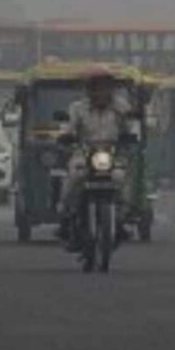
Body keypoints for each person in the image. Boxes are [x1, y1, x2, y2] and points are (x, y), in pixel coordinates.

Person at [57, 68, 132, 248]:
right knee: (73, 177)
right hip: (84, 154)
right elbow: (68, 128)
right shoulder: (77, 108)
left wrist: (131, 137)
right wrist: (66, 136)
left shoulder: (121, 107)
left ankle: (119, 221)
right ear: (89, 90)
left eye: (105, 87)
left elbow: (131, 126)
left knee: (121, 180)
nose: (101, 92)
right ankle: (66, 218)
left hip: (112, 155)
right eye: (97, 88)